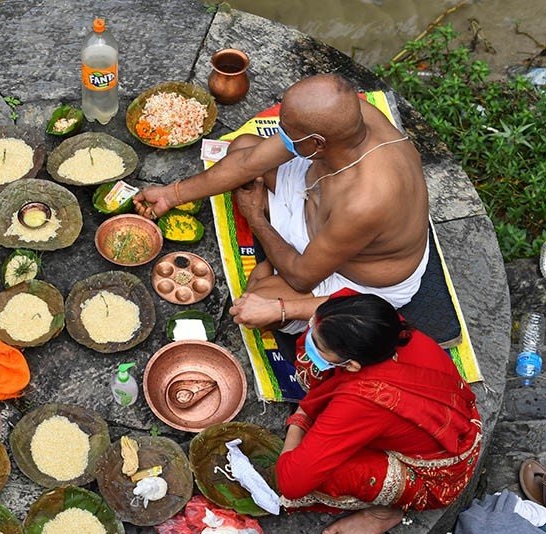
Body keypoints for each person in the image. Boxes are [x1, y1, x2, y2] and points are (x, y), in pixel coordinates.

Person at [135, 74, 429, 333]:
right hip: (316, 201)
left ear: (317, 143)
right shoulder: (352, 115)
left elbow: (302, 278)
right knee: (242, 146)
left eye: (287, 131)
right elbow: (249, 162)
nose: (281, 133)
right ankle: (281, 248)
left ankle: (277, 251)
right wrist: (171, 195)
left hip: (351, 272)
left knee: (258, 302)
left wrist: (256, 218)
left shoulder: (365, 201)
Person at [269, 291, 481, 534]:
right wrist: (280, 309)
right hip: (457, 422)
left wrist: (300, 418)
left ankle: (385, 511)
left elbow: (291, 481)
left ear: (352, 366)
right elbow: (333, 303)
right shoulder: (377, 322)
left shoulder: (364, 398)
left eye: (318, 346)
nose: (309, 339)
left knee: (324, 473)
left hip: (434, 475)